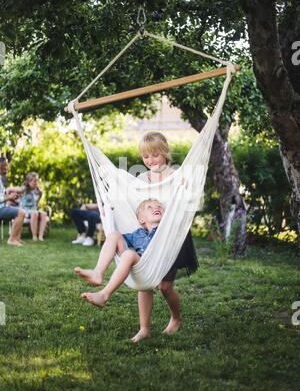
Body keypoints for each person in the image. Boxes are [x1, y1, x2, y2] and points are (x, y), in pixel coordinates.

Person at [75, 132, 199, 342]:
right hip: (147, 234)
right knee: (144, 280)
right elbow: (130, 201)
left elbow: (186, 203)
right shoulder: (142, 178)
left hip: (170, 237)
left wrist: (185, 187)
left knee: (165, 287)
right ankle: (144, 328)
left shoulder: (176, 176)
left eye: (155, 155)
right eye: (145, 157)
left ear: (165, 153)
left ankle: (176, 318)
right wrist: (110, 210)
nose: (150, 161)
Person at [79, 198, 164, 312]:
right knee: (114, 235)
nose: (156, 207)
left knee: (129, 254)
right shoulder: (138, 234)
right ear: (141, 219)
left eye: (159, 206)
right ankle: (97, 273)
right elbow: (119, 240)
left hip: (154, 266)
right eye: (150, 207)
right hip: (139, 265)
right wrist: (107, 215)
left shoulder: (165, 230)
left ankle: (104, 295)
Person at [0, 156, 25, 246]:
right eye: (5, 165)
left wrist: (12, 198)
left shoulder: (0, 179)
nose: (7, 167)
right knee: (20, 213)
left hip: (2, 207)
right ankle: (12, 239)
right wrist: (9, 197)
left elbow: (2, 196)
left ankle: (16, 238)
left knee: (21, 211)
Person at [19, 172, 48, 241]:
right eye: (34, 181)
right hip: (24, 210)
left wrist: (36, 205)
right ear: (29, 182)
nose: (36, 183)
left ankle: (40, 236)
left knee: (44, 214)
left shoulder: (37, 191)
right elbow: (18, 194)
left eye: (37, 181)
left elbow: (36, 202)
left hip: (33, 210)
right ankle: (34, 236)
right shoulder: (24, 189)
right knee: (35, 213)